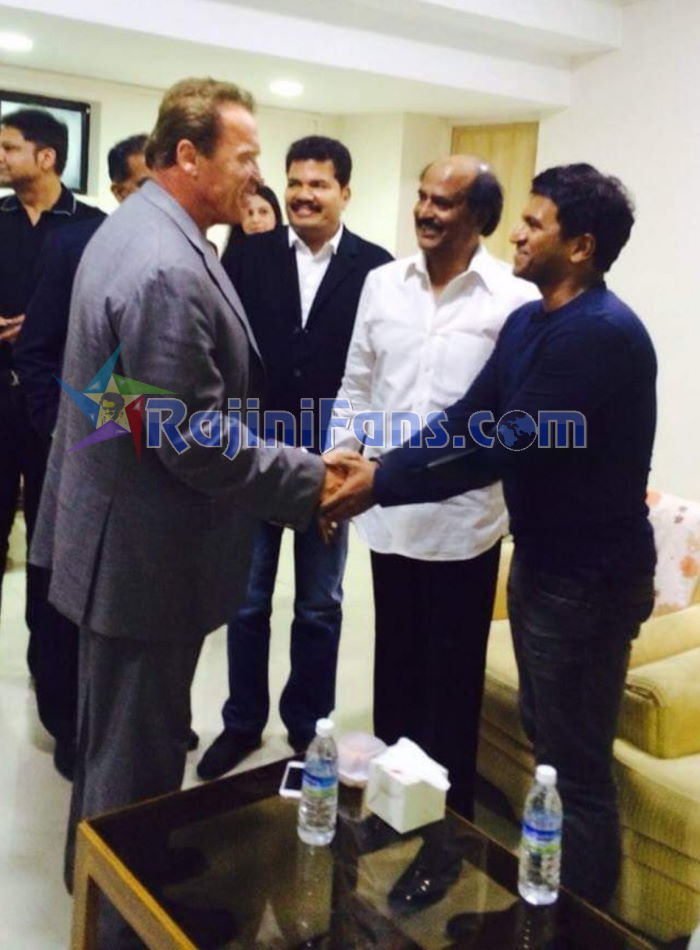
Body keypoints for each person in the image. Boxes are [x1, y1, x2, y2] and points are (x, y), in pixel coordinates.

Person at [30, 79, 342, 943]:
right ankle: (123, 927)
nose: (258, 176)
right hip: (144, 554)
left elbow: (134, 403)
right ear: (188, 155)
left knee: (115, 744)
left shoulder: (138, 225)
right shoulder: (167, 265)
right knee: (136, 757)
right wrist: (314, 480)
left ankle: (96, 885)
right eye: (245, 157)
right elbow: (193, 437)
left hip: (119, 535)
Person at [323, 163, 657, 909]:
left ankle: (574, 924)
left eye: (535, 224)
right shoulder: (532, 323)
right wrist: (375, 470)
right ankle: (443, 842)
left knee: (571, 772)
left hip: (590, 580)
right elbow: (467, 418)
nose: (518, 234)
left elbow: (498, 446)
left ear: (581, 247)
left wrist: (381, 479)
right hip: (541, 564)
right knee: (547, 747)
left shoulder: (600, 334)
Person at [327, 155, 537, 817]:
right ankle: (393, 813)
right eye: (422, 197)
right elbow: (356, 387)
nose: (425, 211)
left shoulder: (515, 299)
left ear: (480, 217)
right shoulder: (382, 285)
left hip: (463, 525)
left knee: (450, 691)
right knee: (394, 674)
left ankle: (449, 834)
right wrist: (336, 467)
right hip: (387, 516)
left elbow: (507, 420)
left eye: (443, 202)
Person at [196, 136, 392, 780]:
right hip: (255, 459)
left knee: (318, 606)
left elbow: (375, 374)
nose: (304, 195)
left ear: (345, 192)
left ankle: (309, 728)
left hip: (332, 465)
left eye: (319, 184)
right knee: (246, 602)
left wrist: (348, 460)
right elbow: (224, 356)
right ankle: (242, 722)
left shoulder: (376, 268)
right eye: (296, 183)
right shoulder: (248, 255)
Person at [13, 132, 158, 781]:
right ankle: (69, 725)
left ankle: (137, 718)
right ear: (122, 190)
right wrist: (66, 434)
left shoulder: (187, 254)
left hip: (153, 474)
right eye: (146, 186)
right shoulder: (81, 245)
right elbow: (39, 351)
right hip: (78, 455)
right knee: (64, 598)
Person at [0, 108, 104, 765]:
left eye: (9, 147)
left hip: (56, 415)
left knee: (50, 550)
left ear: (46, 156)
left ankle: (51, 673)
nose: (1, 157)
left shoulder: (92, 229)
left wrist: (38, 332)